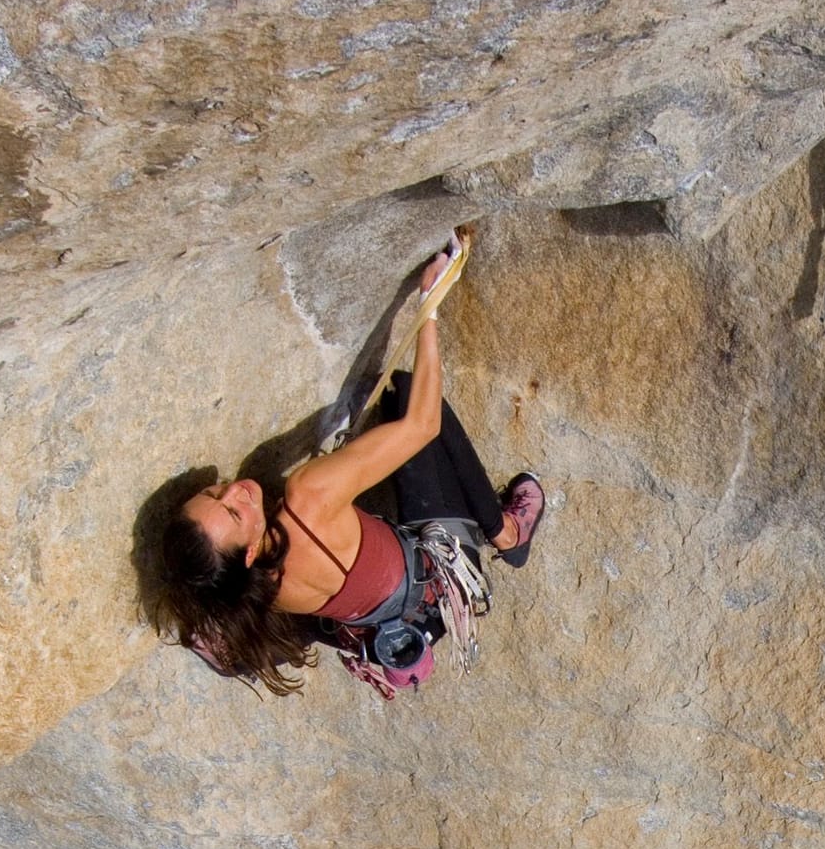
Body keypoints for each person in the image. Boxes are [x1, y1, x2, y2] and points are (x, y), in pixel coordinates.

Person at [152, 238, 543, 691]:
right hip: (436, 587)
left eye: (212, 494)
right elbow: (423, 425)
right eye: (235, 511)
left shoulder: (244, 589)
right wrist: (429, 309)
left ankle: (239, 649)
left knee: (282, 617)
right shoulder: (307, 499)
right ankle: (508, 535)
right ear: (251, 551)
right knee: (406, 392)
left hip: (363, 626)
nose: (232, 489)